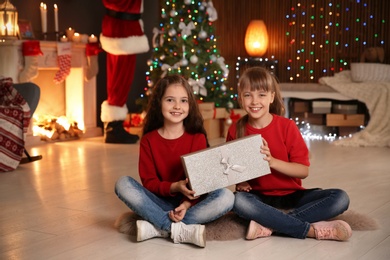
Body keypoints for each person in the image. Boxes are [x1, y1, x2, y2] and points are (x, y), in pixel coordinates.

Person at [228, 67, 352, 241]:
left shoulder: (287, 126)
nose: (255, 101)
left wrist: (271, 161)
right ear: (240, 98)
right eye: (248, 95)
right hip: (258, 197)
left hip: (292, 195)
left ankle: (270, 225)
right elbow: (231, 168)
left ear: (271, 97)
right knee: (238, 202)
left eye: (261, 95)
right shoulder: (235, 129)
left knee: (340, 198)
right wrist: (242, 181)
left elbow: (303, 171)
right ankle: (308, 229)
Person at [115, 74, 235, 247]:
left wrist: (186, 205)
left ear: (190, 105)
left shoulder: (197, 138)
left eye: (184, 101)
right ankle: (177, 229)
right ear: (159, 103)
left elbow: (202, 183)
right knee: (122, 184)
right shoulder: (149, 140)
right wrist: (174, 186)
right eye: (170, 100)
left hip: (191, 204)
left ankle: (159, 228)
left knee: (226, 196)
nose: (177, 106)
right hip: (159, 202)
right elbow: (149, 182)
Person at [100, 0, 150, 144]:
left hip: (123, 26)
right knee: (120, 77)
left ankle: (114, 126)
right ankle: (113, 128)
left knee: (120, 77)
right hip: (122, 27)